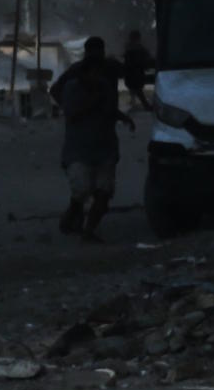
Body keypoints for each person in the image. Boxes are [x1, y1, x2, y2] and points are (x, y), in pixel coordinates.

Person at [48, 36, 129, 240]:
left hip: (104, 139)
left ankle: (88, 229)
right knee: (82, 191)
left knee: (103, 191)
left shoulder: (109, 69)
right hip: (81, 142)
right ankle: (76, 220)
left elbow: (130, 74)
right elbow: (57, 92)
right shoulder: (76, 74)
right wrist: (73, 106)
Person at [118, 30, 157, 113]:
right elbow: (146, 57)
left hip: (133, 72)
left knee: (136, 89)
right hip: (134, 72)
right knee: (136, 89)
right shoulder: (137, 48)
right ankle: (142, 105)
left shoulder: (131, 47)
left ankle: (139, 104)